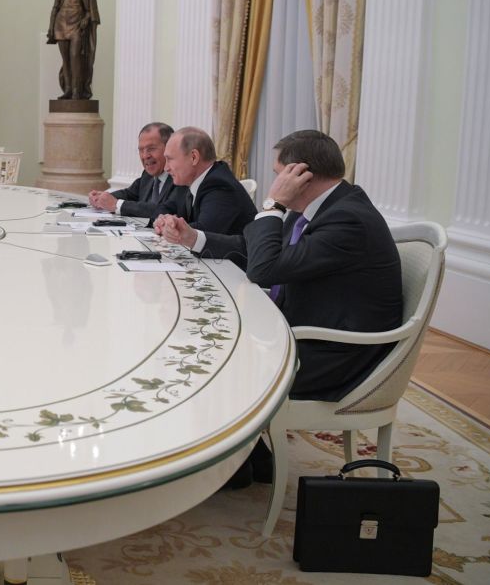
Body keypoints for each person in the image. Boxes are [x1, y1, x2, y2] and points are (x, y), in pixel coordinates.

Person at [162, 131, 403, 486]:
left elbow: (264, 268)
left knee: (217, 363)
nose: (275, 183)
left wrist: (273, 206)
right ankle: (246, 461)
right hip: (306, 331)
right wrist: (193, 238)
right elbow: (257, 250)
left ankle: (227, 465)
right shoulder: (322, 208)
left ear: (299, 173)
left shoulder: (347, 220)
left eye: (278, 173)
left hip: (336, 354)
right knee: (205, 342)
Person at [153, 127, 256, 237]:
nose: (166, 168)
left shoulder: (220, 185)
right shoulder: (186, 181)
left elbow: (204, 233)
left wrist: (169, 227)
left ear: (194, 157)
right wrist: (163, 220)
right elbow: (165, 208)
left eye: (170, 159)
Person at [88, 122, 183, 223]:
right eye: (141, 150)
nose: (145, 156)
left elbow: (164, 210)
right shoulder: (147, 176)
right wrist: (101, 197)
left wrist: (116, 205)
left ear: (169, 148)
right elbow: (129, 194)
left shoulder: (180, 177)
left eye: (151, 149)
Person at [47, 0, 100, 99]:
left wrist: (86, 18)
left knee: (75, 56)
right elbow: (55, 7)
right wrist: (51, 27)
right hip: (61, 24)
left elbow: (91, 9)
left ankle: (77, 90)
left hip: (76, 23)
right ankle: (68, 90)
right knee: (66, 59)